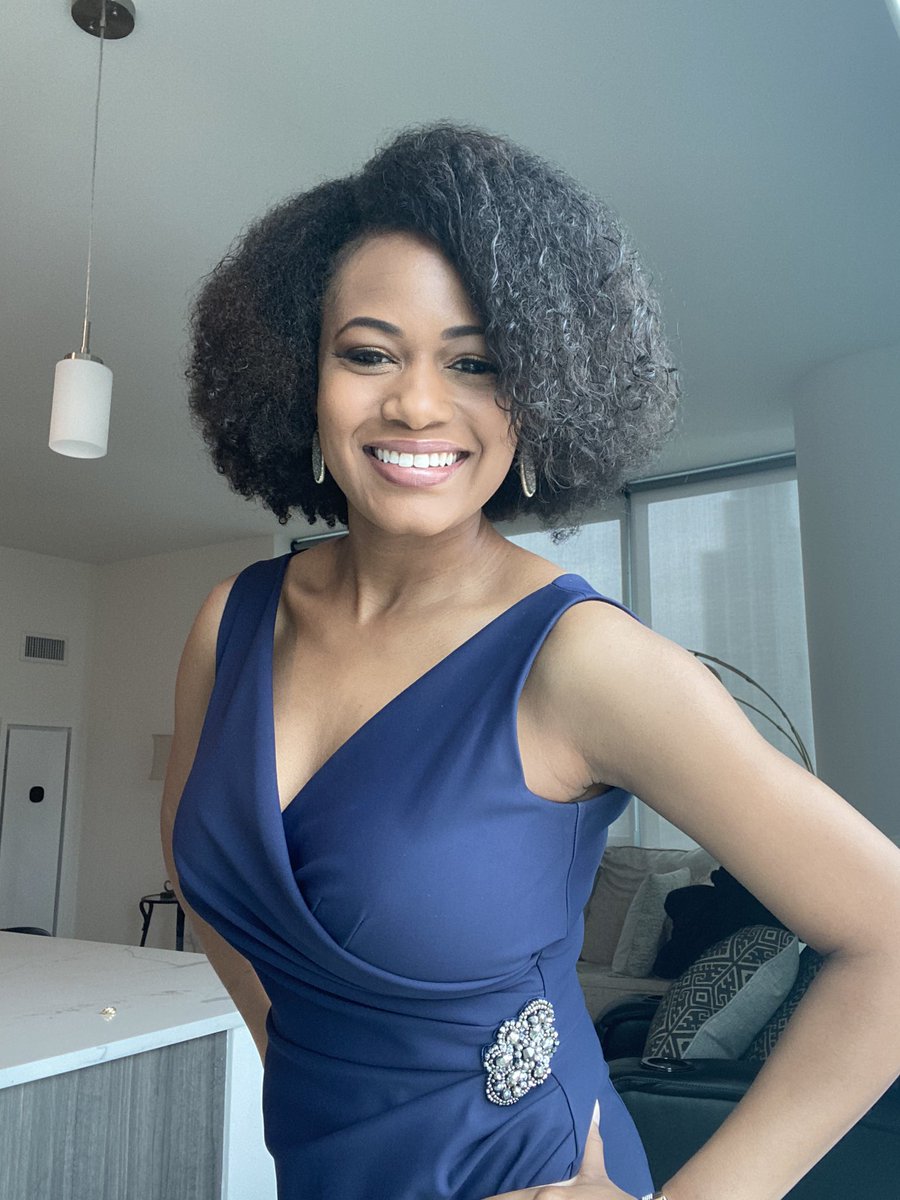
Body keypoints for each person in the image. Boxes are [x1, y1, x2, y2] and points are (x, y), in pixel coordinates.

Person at [161, 123, 900, 1200]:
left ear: (541, 396)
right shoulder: (231, 620)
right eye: (368, 353)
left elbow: (889, 941)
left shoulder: (584, 659)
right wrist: (306, 1057)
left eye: (476, 363)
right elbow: (203, 874)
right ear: (300, 378)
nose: (417, 404)